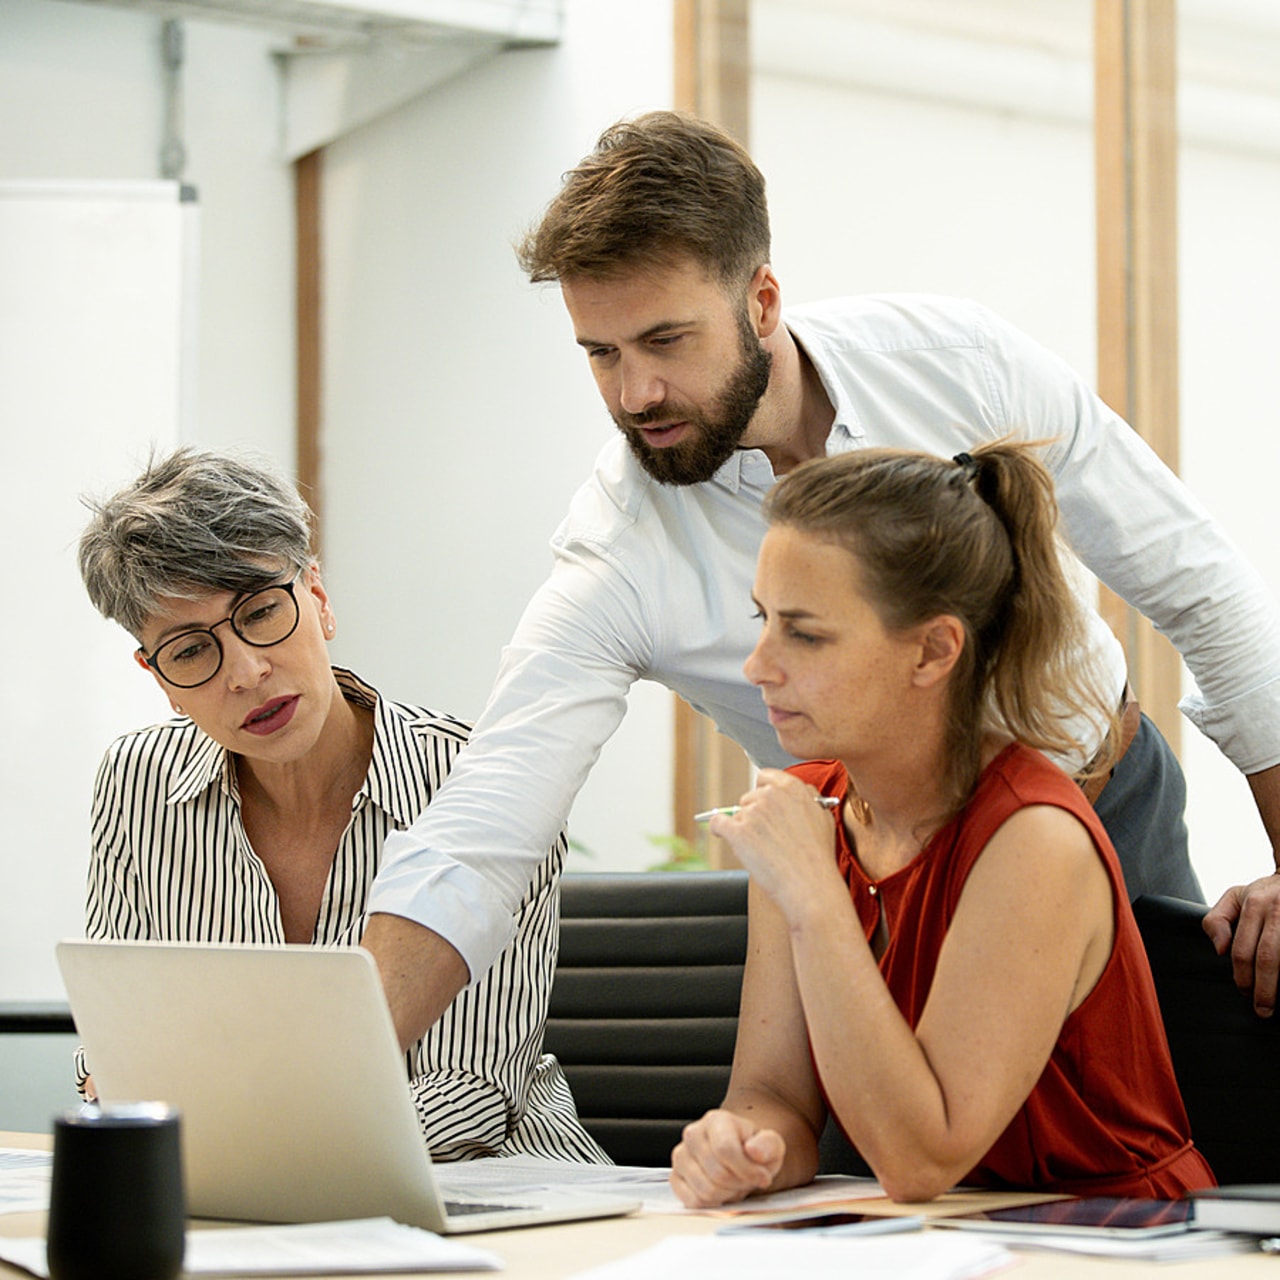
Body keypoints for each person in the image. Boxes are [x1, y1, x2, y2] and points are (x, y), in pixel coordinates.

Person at [361, 111, 1280, 1050]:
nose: (633, 394)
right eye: (602, 354)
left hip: (1107, 810)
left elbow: (1201, 586)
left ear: (761, 302)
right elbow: (485, 829)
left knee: (1178, 1145)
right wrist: (344, 1064)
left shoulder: (957, 364)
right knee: (876, 1183)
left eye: (665, 341)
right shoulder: (621, 549)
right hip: (886, 888)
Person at [671, 442, 1215, 1205]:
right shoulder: (805, 813)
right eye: (764, 621)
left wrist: (814, 894)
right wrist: (744, 1145)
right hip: (949, 1240)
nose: (758, 665)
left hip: (1117, 1242)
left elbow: (923, 1160)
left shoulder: (1033, 837)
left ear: (933, 650)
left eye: (805, 633)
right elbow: (776, 1098)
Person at [75, 447, 607, 1164]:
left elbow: (468, 1091)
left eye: (261, 612)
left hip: (496, 1191)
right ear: (158, 676)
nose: (247, 671)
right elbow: (121, 1046)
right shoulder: (138, 783)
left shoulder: (479, 777)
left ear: (317, 598)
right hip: (237, 1192)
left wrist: (248, 1146)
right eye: (191, 651)